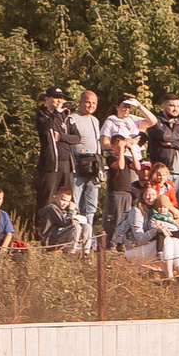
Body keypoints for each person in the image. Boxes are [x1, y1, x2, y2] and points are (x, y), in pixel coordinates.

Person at [102, 95, 155, 247]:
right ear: (117, 106)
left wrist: (139, 106)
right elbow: (105, 144)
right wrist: (126, 144)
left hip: (133, 162)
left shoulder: (133, 119)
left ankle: (128, 239)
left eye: (129, 106)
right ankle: (111, 242)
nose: (126, 109)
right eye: (124, 106)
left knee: (132, 203)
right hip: (119, 162)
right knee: (117, 207)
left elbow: (152, 122)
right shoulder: (111, 121)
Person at [64, 87, 105, 228]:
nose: (91, 106)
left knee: (91, 206)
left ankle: (88, 239)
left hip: (94, 166)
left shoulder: (95, 120)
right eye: (87, 102)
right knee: (74, 203)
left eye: (94, 103)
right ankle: (73, 235)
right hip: (78, 165)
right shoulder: (71, 119)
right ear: (80, 102)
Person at [149, 95, 179, 212]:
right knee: (158, 204)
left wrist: (172, 144)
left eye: (178, 106)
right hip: (162, 172)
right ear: (163, 105)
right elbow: (163, 135)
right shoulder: (155, 121)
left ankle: (173, 229)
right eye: (171, 105)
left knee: (175, 206)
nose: (175, 109)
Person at [33, 85, 69, 222]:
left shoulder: (65, 116)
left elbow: (76, 137)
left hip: (65, 162)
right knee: (45, 198)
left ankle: (63, 227)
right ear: (47, 99)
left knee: (66, 197)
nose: (59, 101)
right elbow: (45, 129)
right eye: (56, 98)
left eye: (61, 98)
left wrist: (62, 137)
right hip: (49, 163)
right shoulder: (42, 115)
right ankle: (40, 231)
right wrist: (55, 113)